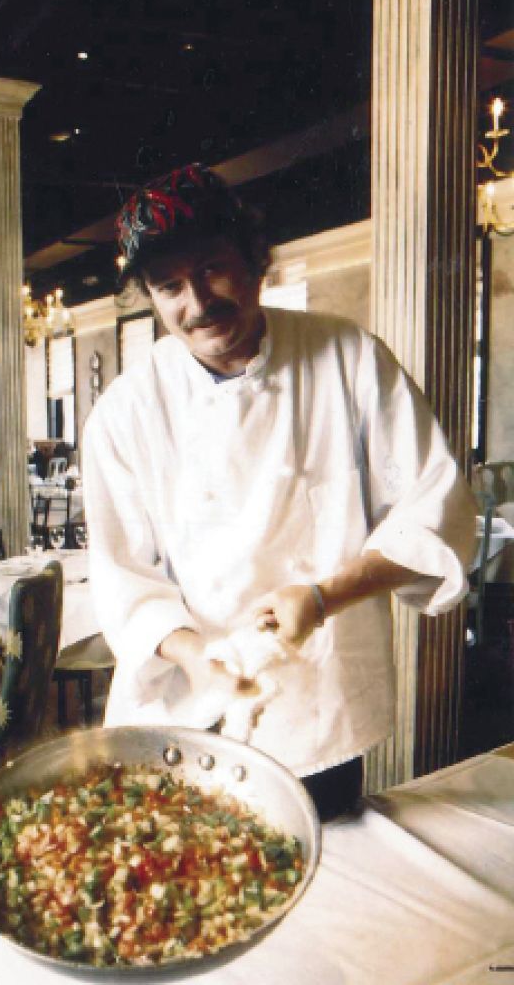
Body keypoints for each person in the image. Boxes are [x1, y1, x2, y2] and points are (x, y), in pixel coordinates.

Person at [82, 163, 477, 820]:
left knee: (329, 874)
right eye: (170, 286)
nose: (197, 302)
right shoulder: (126, 412)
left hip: (317, 700)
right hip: (189, 704)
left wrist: (322, 598)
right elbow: (123, 576)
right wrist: (199, 658)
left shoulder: (347, 357)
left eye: (212, 268)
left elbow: (436, 508)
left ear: (255, 263)